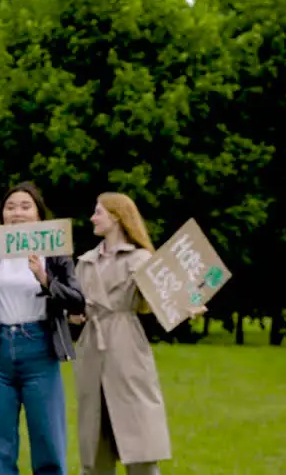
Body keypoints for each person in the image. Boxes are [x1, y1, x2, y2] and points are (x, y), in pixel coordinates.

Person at [0, 182, 84, 475]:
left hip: (39, 349)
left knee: (47, 437)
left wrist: (45, 279)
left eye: (25, 207)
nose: (17, 213)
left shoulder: (53, 254)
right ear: (2, 215)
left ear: (39, 215)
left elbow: (77, 300)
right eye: (10, 207)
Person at [71, 193, 198, 475]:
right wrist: (74, 314)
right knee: (94, 433)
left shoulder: (141, 259)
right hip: (92, 345)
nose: (92, 218)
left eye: (98, 212)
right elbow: (76, 306)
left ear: (116, 217)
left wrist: (187, 305)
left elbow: (163, 299)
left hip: (125, 344)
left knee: (138, 433)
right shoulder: (86, 261)